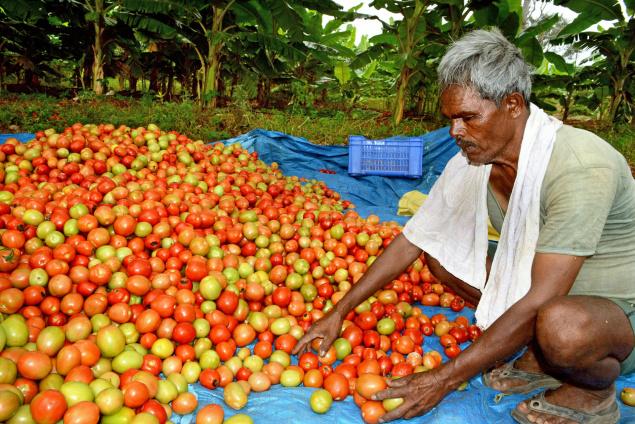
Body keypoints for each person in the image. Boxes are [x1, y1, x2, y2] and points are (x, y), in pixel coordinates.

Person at [293, 28, 635, 424]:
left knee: (561, 326)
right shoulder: (478, 159)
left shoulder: (578, 167)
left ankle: (591, 391)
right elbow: (413, 240)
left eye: (468, 117)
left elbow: (543, 298)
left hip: (612, 317)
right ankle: (539, 355)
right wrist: (339, 311)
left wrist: (444, 377)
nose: (455, 132)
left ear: (512, 104)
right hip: (546, 287)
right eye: (451, 119)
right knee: (440, 256)